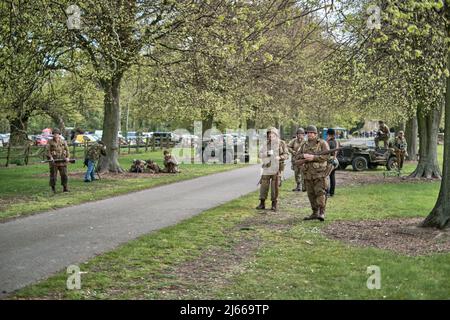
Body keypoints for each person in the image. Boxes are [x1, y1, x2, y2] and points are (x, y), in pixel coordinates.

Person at [297, 125, 330, 221]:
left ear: (316, 134)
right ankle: (314, 213)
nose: (310, 134)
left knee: (320, 193)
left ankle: (321, 213)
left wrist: (313, 158)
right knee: (311, 194)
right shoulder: (304, 144)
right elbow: (297, 156)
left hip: (320, 174)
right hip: (308, 174)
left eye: (312, 133)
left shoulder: (322, 143)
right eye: (308, 133)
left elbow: (326, 156)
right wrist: (304, 156)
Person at [256, 127, 289, 212]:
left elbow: (286, 155)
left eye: (273, 134)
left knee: (275, 187)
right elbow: (259, 155)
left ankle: (274, 204)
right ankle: (262, 203)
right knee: (264, 186)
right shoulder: (266, 144)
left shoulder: (282, 143)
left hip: (277, 168)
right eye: (269, 134)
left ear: (276, 135)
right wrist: (267, 153)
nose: (271, 136)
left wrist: (280, 157)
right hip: (267, 167)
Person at [46, 128, 70, 193]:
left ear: (59, 134)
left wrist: (68, 157)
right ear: (53, 134)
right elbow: (47, 151)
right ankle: (53, 188)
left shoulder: (63, 141)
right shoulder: (50, 142)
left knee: (64, 175)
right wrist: (50, 157)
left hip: (62, 161)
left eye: (57, 134)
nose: (56, 135)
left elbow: (67, 150)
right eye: (54, 134)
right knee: (53, 176)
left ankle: (65, 188)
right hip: (54, 162)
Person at [287, 128, 306, 192]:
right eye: (298, 134)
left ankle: (304, 187)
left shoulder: (306, 142)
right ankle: (298, 186)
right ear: (297, 135)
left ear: (303, 135)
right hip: (295, 160)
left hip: (303, 160)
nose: (300, 135)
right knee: (296, 174)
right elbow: (288, 146)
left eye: (301, 134)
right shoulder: (294, 141)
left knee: (303, 174)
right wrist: (293, 152)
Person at [326, 128, 339, 197]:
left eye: (327, 134)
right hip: (335, 160)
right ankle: (332, 193)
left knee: (326, 176)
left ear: (329, 134)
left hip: (330, 161)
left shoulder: (329, 142)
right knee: (332, 177)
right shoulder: (336, 141)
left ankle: (327, 192)